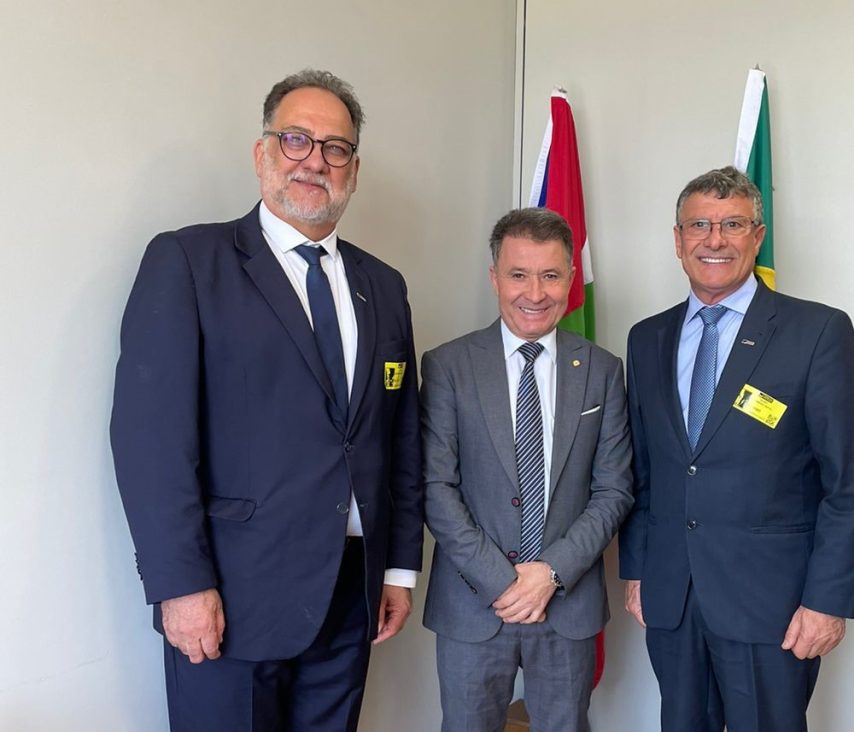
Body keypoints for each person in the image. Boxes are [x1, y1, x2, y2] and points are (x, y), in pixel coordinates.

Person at [110, 69, 423, 731]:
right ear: (262, 154)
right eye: (296, 139)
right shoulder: (189, 262)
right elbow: (150, 443)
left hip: (350, 591)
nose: (315, 161)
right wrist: (179, 584)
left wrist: (397, 569)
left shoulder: (384, 286)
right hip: (230, 595)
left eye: (335, 148)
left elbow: (398, 440)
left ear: (354, 170)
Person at [619, 166, 854, 731]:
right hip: (673, 595)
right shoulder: (646, 338)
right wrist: (637, 569)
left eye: (732, 224)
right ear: (678, 240)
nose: (714, 239)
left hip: (773, 606)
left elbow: (850, 483)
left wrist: (828, 599)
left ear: (757, 237)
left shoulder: (817, 332)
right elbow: (644, 469)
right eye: (699, 225)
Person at [420, 208, 633, 731]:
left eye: (550, 275)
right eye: (519, 274)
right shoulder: (448, 366)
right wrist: (502, 581)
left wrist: (550, 573)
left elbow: (614, 490)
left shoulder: (603, 370)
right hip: (473, 604)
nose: (535, 293)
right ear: (494, 277)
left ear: (571, 280)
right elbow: (435, 486)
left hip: (568, 605)